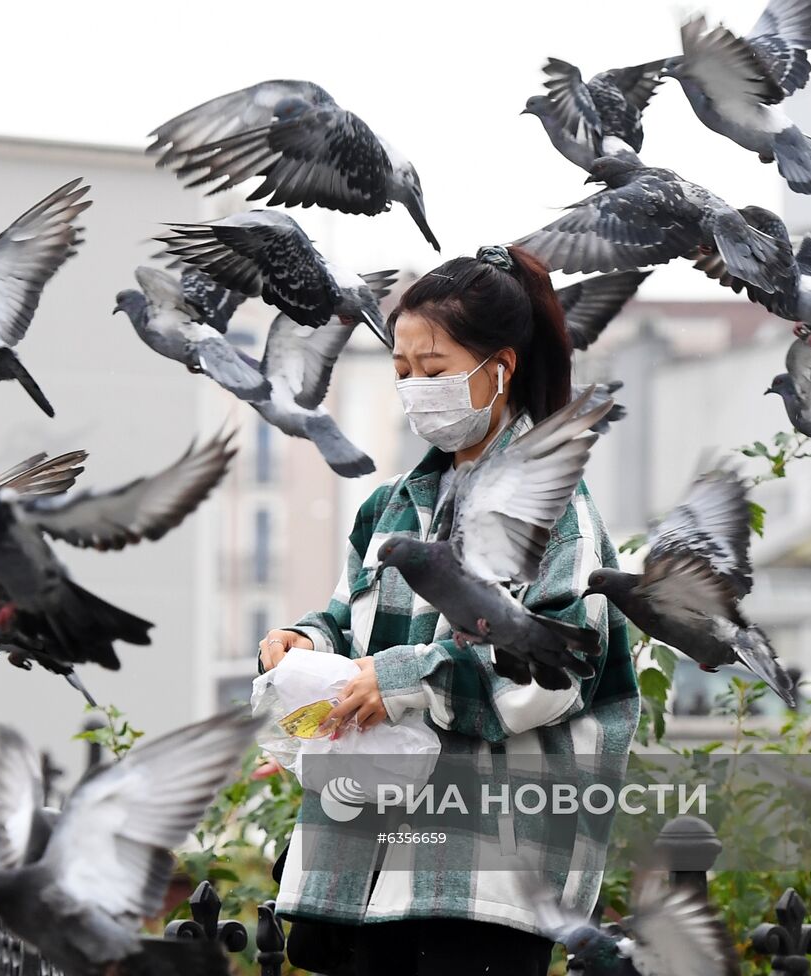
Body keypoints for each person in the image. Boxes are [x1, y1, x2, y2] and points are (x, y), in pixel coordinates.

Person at [258, 246, 638, 976]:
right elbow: (347, 623)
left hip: (484, 871)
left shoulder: (559, 512)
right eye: (401, 372)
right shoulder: (389, 506)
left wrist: (400, 679)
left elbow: (554, 675)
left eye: (433, 371)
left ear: (500, 368)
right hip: (372, 857)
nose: (414, 389)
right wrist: (302, 642)